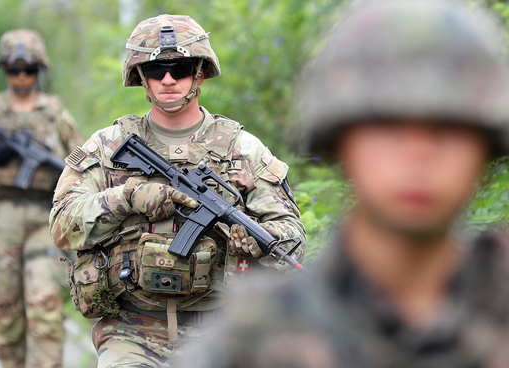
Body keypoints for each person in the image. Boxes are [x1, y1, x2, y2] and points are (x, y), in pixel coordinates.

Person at [177, 1, 509, 367]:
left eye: (448, 127)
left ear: (487, 146)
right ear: (340, 141)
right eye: (387, 125)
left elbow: (285, 230)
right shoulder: (255, 336)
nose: (418, 153)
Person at [49, 14, 306, 368]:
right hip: (131, 330)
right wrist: (125, 198)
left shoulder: (242, 149)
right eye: (156, 70)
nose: (169, 80)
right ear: (141, 77)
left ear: (199, 73)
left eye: (181, 68)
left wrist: (259, 238)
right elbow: (62, 225)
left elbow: (292, 239)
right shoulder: (110, 146)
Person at [0, 29, 83, 368]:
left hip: (45, 218)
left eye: (29, 69)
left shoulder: (55, 112)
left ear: (40, 70)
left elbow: (83, 163)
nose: (21, 76)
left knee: (45, 305)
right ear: (3, 70)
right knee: (4, 313)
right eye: (13, 69)